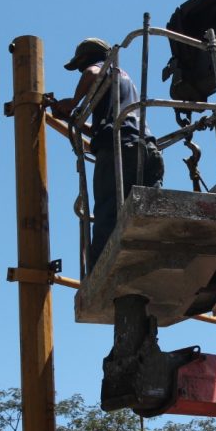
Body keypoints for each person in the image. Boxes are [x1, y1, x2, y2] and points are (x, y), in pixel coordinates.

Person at [51, 38, 164, 272]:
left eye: (80, 66)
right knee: (147, 216)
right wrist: (71, 118)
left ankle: (99, 275)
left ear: (86, 58)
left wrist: (74, 102)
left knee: (107, 214)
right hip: (148, 150)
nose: (80, 71)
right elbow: (102, 129)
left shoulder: (103, 69)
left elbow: (92, 73)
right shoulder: (122, 81)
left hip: (119, 151)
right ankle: (148, 265)